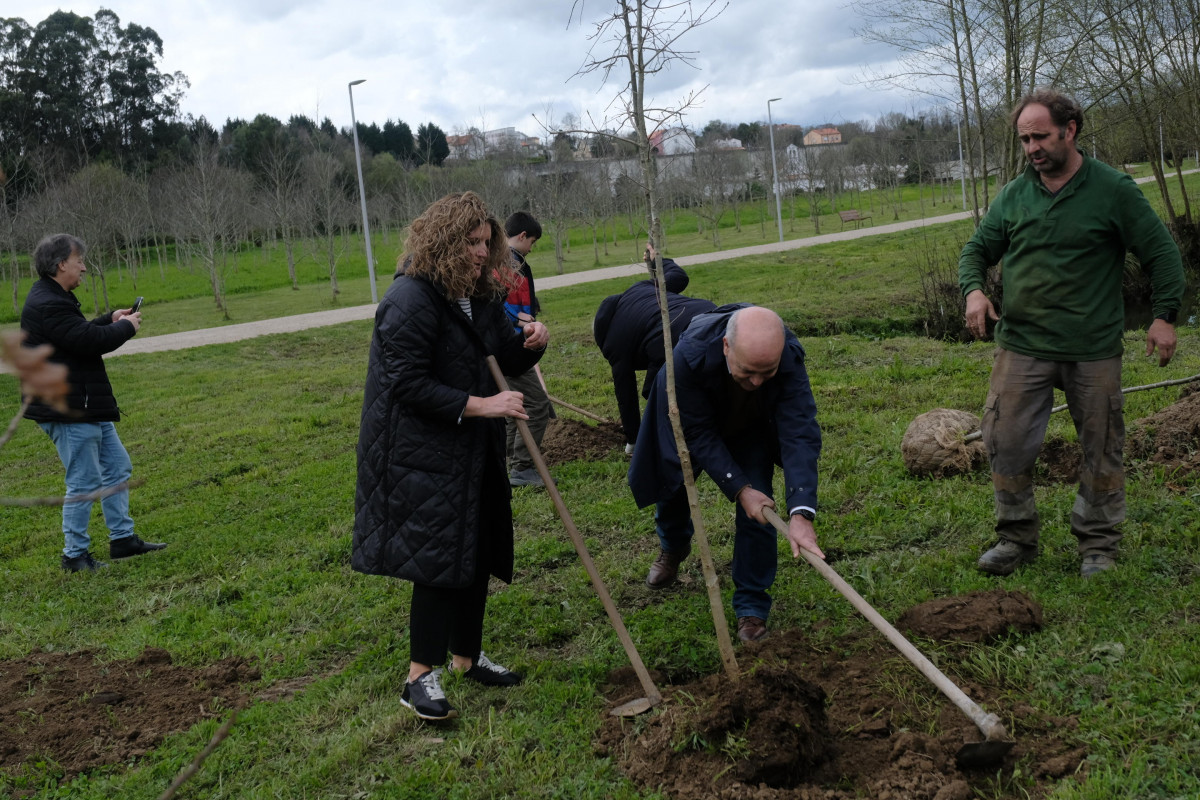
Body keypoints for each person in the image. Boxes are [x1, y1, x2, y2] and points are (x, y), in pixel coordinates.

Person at [958, 87, 1185, 579]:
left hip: (1092, 348)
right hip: (1022, 345)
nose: (1032, 148)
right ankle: (1015, 537)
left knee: (1102, 447)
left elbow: (1163, 255)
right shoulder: (1015, 196)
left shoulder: (1113, 190)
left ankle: (1098, 545)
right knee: (1004, 439)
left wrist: (1164, 315)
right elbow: (976, 251)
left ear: (1070, 130)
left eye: (1040, 136)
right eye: (1024, 139)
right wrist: (975, 292)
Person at [352, 192, 549, 721]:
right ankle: (420, 676)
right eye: (472, 243)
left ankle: (466, 656)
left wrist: (531, 341)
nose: (483, 253)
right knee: (437, 561)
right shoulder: (409, 300)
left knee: (476, 549)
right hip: (419, 453)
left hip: (468, 447)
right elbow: (406, 384)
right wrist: (484, 404)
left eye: (487, 242)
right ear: (442, 242)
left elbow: (503, 351)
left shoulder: (474, 296)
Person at [628, 304, 823, 643]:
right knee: (674, 484)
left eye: (767, 372)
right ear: (726, 347)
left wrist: (802, 512)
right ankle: (673, 546)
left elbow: (799, 432)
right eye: (748, 371)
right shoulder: (688, 358)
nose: (758, 381)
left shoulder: (788, 357)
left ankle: (751, 607)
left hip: (751, 422)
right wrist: (738, 488)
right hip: (689, 417)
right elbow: (700, 435)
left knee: (760, 506)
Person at [20, 233, 166, 572]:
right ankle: (74, 556)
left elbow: (75, 335)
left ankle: (123, 540)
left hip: (84, 404)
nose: (84, 267)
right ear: (61, 265)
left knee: (117, 467)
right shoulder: (49, 302)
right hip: (67, 408)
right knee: (84, 482)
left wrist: (109, 319)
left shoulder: (55, 297)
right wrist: (127, 328)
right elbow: (86, 342)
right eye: (79, 261)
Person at [593, 244, 716, 452]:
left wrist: (633, 439)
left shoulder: (614, 341)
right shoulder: (641, 288)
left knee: (656, 391)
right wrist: (656, 260)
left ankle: (679, 438)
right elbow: (678, 276)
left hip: (674, 337)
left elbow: (626, 394)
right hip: (712, 315)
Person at [501, 211, 553, 488]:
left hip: (513, 343)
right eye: (532, 242)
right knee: (536, 404)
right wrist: (516, 319)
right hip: (509, 347)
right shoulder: (507, 263)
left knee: (515, 406)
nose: (532, 248)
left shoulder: (509, 260)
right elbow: (493, 302)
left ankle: (510, 462)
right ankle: (522, 466)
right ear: (522, 236)